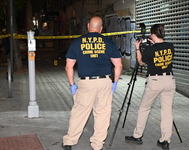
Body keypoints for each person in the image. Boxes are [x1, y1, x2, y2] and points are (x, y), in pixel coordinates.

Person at [62, 16, 123, 150]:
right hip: (104, 82)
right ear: (101, 29)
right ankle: (97, 145)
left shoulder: (77, 42)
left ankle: (69, 142)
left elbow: (68, 66)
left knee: (79, 112)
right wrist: (115, 82)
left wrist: (72, 84)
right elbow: (118, 65)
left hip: (86, 83)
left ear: (88, 26)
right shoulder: (109, 42)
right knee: (102, 114)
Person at [125, 24, 176, 150]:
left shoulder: (150, 49)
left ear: (153, 35)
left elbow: (141, 62)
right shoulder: (170, 46)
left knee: (144, 108)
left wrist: (137, 49)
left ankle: (137, 135)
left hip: (155, 80)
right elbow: (162, 53)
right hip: (169, 80)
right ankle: (165, 140)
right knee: (167, 111)